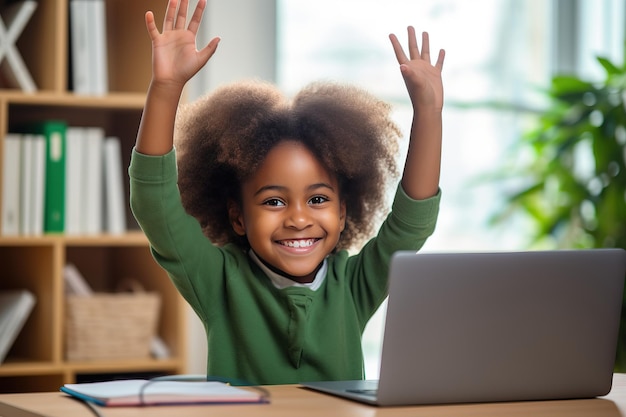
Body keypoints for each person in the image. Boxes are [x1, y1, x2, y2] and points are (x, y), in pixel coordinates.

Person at [129, 0, 445, 385]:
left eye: (317, 199)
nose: (298, 219)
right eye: (274, 201)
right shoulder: (219, 281)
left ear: (343, 212)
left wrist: (428, 113)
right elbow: (155, 205)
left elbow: (410, 225)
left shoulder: (354, 285)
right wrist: (165, 89)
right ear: (238, 217)